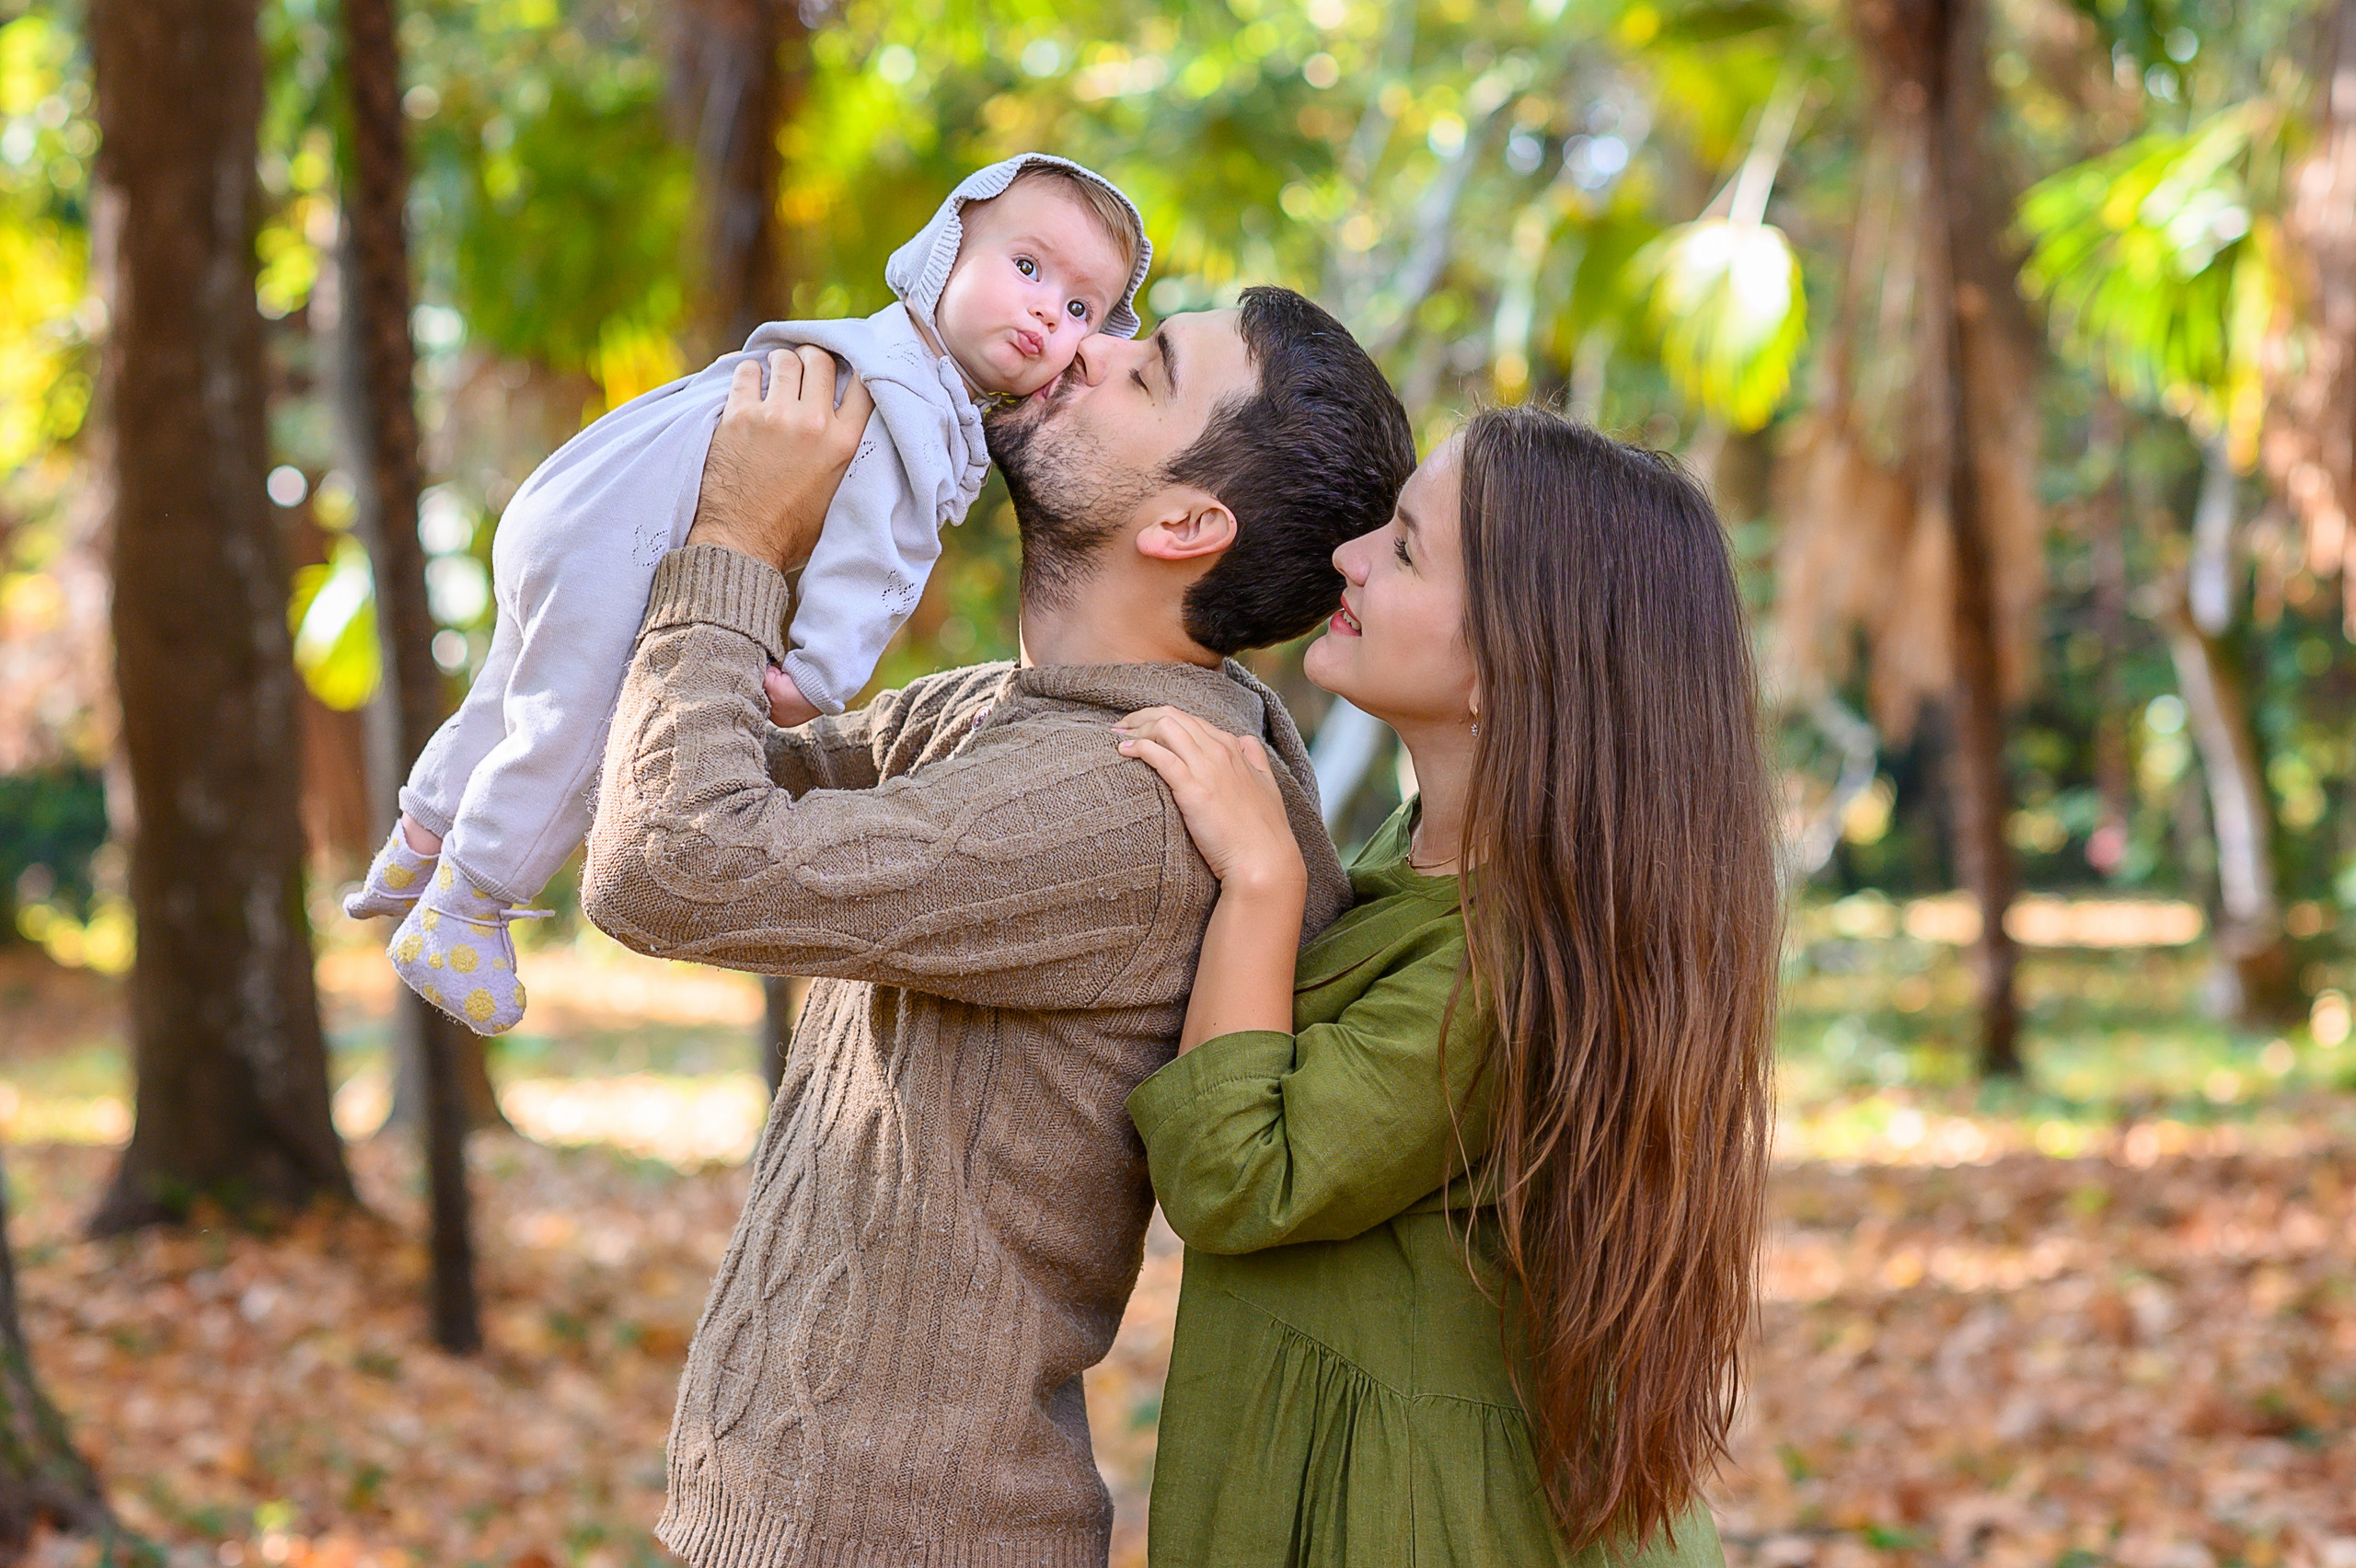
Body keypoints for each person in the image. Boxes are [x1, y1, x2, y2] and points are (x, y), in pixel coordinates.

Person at [581, 287, 1416, 1566]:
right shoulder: (1033, 715)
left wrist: (741, 537)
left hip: (894, 1535)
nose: (1088, 345)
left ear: (1189, 523)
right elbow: (676, 776)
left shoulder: (1118, 800)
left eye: (1147, 375)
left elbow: (669, 866)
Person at [1113, 405, 1781, 1565]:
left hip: (1433, 1521)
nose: (1348, 556)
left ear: (1510, 666)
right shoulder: (1422, 853)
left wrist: (1262, 876)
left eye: (1405, 548)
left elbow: (1236, 1177)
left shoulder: (1514, 961)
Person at [341, 153, 1150, 1036]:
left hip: (577, 498)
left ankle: (417, 844)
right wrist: (817, 674)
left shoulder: (868, 347)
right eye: (1027, 267)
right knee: (583, 725)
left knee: (512, 691)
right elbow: (873, 558)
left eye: (1080, 308)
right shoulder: (910, 404)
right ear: (945, 253)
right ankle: (466, 911)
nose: (1046, 309)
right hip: (639, 534)